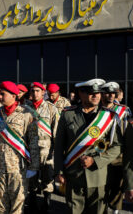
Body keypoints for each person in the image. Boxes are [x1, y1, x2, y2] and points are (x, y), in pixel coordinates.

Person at [54, 79, 122, 214]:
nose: (96, 96)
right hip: (73, 175)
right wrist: (59, 171)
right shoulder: (68, 114)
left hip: (98, 176)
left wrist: (96, 161)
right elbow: (59, 145)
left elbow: (117, 146)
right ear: (81, 93)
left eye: (98, 93)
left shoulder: (108, 116)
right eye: (91, 93)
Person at [0, 81, 39, 214]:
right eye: (0, 94)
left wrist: (33, 167)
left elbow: (33, 141)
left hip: (18, 168)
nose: (0, 97)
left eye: (3, 94)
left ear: (14, 96)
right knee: (2, 204)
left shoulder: (27, 114)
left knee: (17, 205)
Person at [27, 82, 59, 212]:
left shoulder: (51, 108)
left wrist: (56, 151)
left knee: (48, 178)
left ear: (43, 92)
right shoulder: (25, 108)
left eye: (38, 91)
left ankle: (46, 203)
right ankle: (33, 203)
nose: (35, 93)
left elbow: (56, 130)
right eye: (33, 91)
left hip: (47, 149)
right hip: (30, 149)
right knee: (31, 179)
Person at [100, 82, 131, 213]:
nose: (111, 95)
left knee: (116, 189)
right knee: (101, 188)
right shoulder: (96, 110)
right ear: (102, 94)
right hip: (100, 153)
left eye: (114, 93)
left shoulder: (124, 110)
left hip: (118, 156)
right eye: (108, 92)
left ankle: (115, 211)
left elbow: (128, 133)